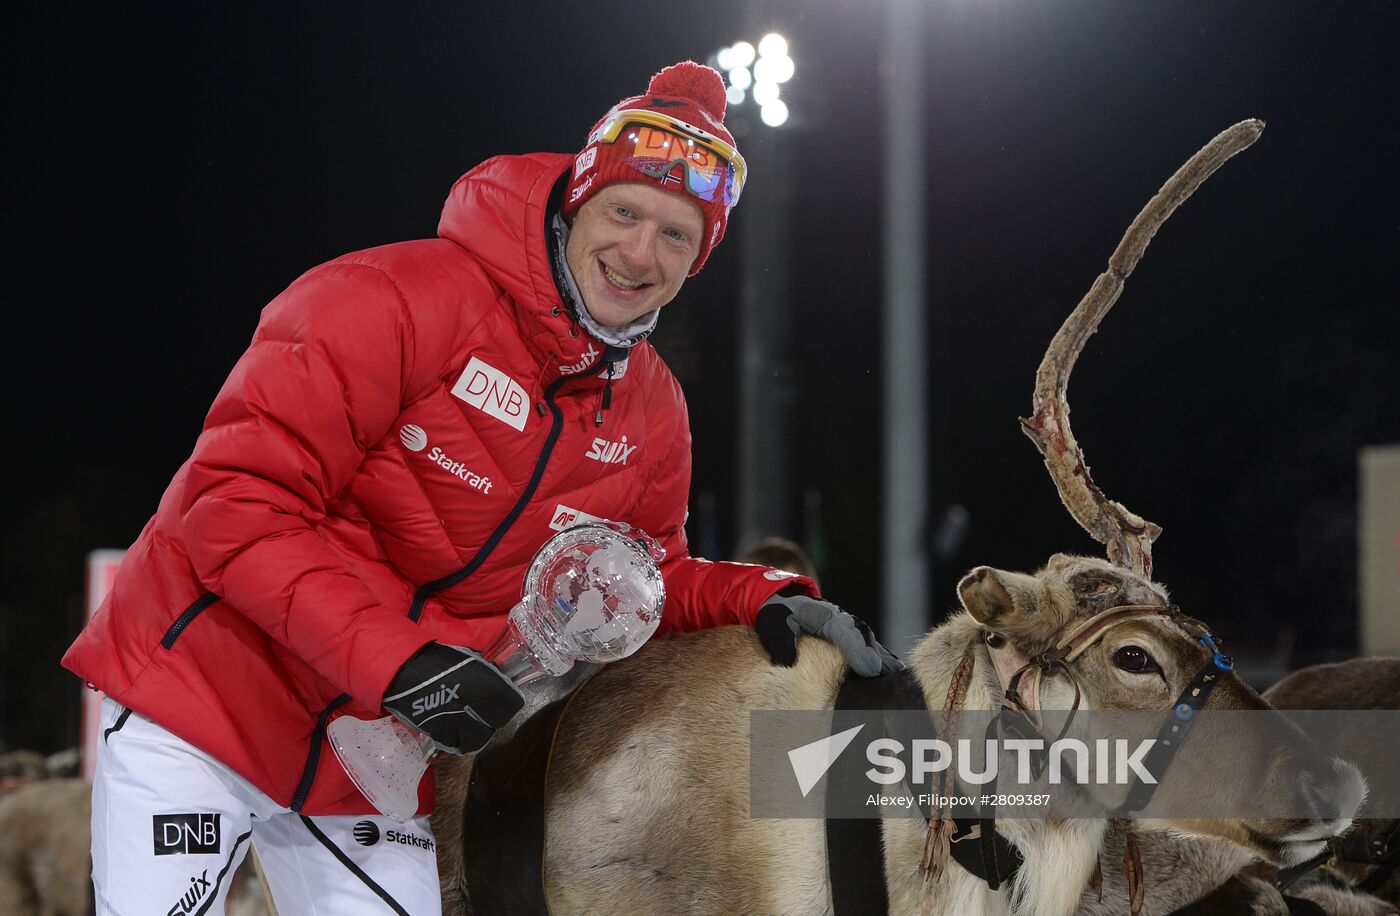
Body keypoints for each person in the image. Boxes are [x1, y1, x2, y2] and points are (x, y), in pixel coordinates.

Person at [63, 61, 899, 915]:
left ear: (699, 258)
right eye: (624, 212)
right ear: (579, 198)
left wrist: (759, 595)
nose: (640, 253)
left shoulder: (653, 411)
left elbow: (636, 579)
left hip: (368, 764)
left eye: (677, 235)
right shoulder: (390, 297)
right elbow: (233, 506)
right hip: (205, 700)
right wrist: (400, 665)